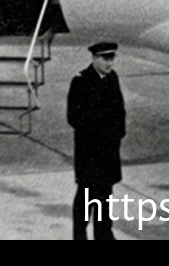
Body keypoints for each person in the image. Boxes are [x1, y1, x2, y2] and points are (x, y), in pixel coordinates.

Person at [68, 41, 126, 240]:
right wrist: (101, 130)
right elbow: (74, 117)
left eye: (111, 59)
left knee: (104, 198)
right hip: (90, 153)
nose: (109, 64)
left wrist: (117, 136)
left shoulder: (112, 78)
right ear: (94, 59)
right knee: (85, 198)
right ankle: (80, 237)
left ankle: (103, 236)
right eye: (105, 59)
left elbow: (120, 111)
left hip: (108, 151)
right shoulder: (81, 81)